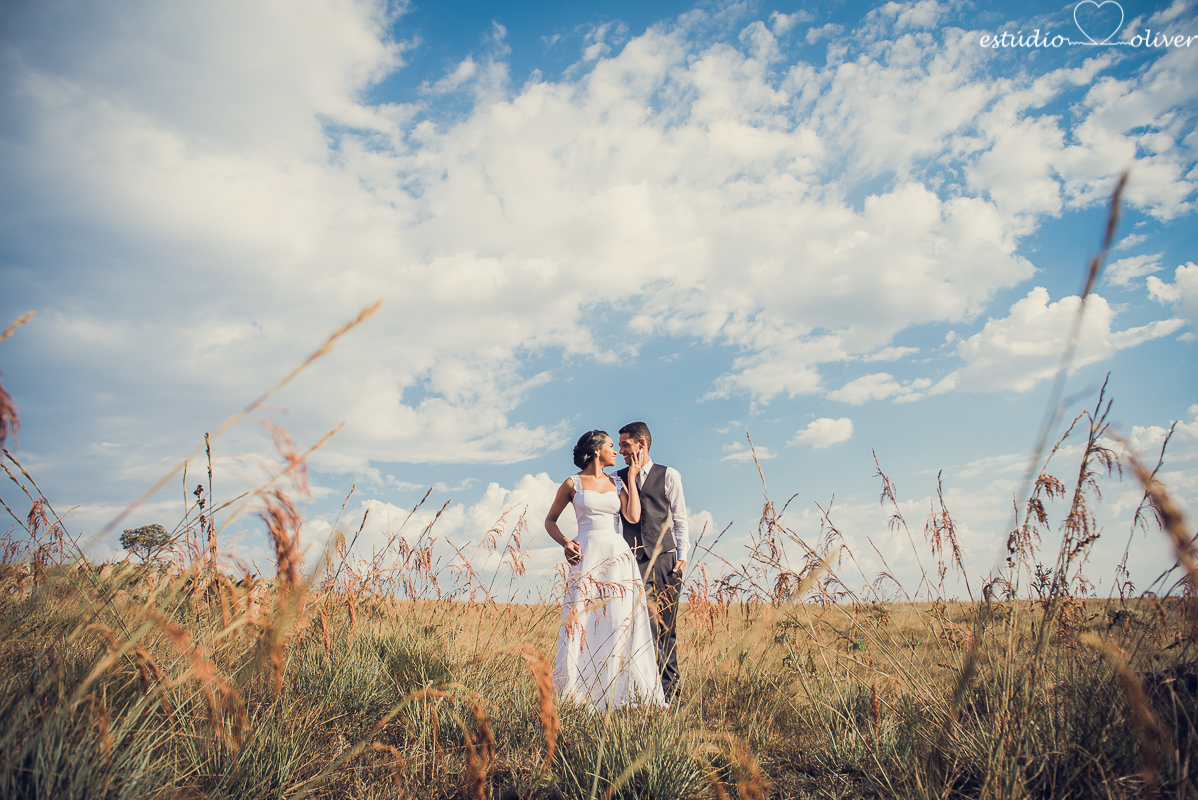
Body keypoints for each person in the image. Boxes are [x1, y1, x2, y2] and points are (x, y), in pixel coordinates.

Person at [544, 430, 665, 711]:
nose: (616, 451)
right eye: (612, 446)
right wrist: (565, 542)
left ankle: (624, 693)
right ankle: (578, 693)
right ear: (597, 450)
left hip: (617, 554)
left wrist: (632, 478)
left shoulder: (617, 481)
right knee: (582, 619)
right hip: (586, 555)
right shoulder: (572, 483)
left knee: (620, 617)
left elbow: (632, 516)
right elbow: (550, 520)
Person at [616, 421, 687, 702]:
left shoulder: (669, 475)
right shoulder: (617, 478)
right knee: (641, 628)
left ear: (641, 444)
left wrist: (682, 555)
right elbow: (616, 522)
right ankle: (644, 692)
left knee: (667, 628)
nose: (621, 451)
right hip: (633, 562)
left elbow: (680, 519)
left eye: (625, 445)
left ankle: (671, 694)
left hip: (667, 561)